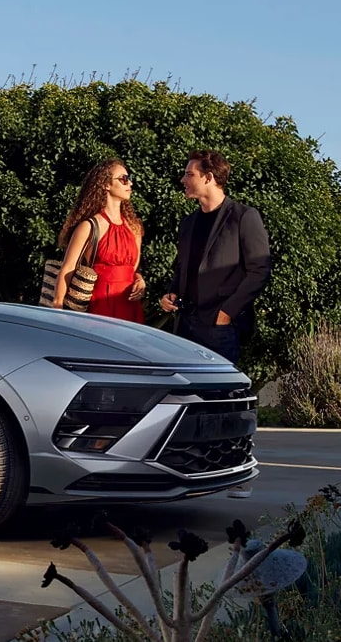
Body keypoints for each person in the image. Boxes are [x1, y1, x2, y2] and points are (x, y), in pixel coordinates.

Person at [159, 150, 271, 498]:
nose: (183, 179)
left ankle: (240, 473)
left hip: (221, 326)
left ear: (209, 177)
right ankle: (195, 471)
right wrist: (171, 294)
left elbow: (259, 270)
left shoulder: (244, 217)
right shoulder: (188, 223)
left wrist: (228, 312)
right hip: (186, 324)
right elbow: (183, 269)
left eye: (189, 174)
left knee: (228, 403)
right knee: (188, 402)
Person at [50, 159, 146, 322]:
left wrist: (139, 279)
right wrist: (57, 307)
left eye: (129, 179)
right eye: (123, 179)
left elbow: (132, 268)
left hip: (129, 304)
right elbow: (68, 268)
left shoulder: (134, 227)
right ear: (106, 184)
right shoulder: (89, 226)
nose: (129, 183)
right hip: (99, 304)